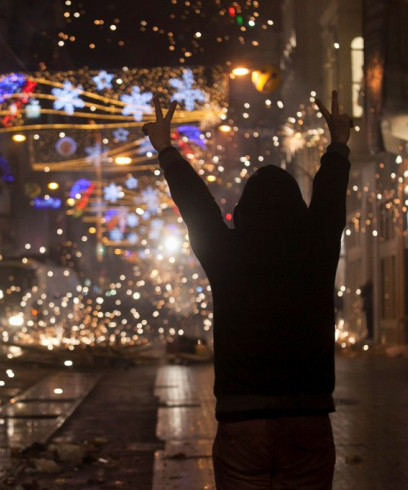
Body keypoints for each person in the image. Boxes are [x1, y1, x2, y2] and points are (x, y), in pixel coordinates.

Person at [143, 90, 352, 489]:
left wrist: (167, 150)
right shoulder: (317, 246)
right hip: (308, 415)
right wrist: (338, 145)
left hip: (242, 419)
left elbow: (198, 209)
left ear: (243, 212)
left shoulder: (227, 253)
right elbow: (329, 200)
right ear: (298, 209)